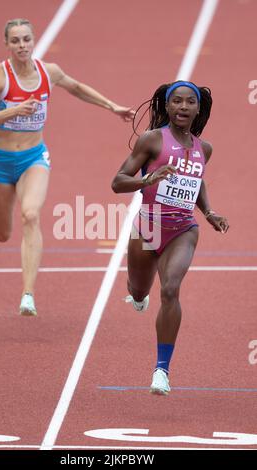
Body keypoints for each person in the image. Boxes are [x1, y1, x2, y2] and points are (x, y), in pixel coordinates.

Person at [0, 18, 135, 316]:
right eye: (15, 41)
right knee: (2, 233)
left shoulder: (50, 72)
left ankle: (28, 295)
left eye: (26, 39)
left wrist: (112, 107)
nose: (22, 45)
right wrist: (13, 110)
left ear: (34, 41)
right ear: (7, 44)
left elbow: (77, 88)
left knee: (31, 214)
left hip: (33, 158)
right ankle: (23, 279)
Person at [111, 80, 229, 395]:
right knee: (139, 290)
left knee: (171, 290)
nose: (183, 107)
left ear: (198, 108)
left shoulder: (204, 148)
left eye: (189, 102)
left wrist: (208, 212)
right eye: (176, 101)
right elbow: (118, 181)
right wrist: (149, 178)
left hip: (183, 230)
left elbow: (197, 180)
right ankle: (137, 295)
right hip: (147, 227)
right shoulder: (152, 141)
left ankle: (161, 370)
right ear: (166, 106)